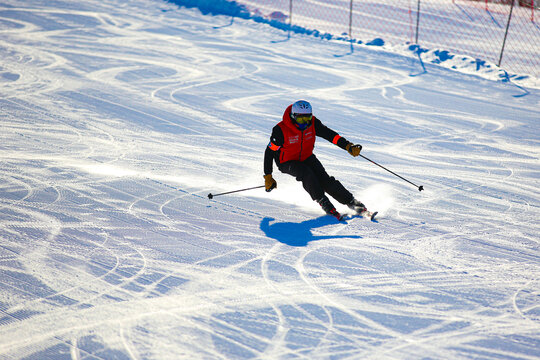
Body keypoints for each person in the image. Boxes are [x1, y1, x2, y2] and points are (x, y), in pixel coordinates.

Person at [263, 100, 366, 220]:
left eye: (308, 118)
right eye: (302, 119)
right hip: (287, 161)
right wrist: (268, 176)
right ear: (293, 116)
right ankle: (324, 202)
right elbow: (269, 152)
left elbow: (330, 135)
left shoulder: (312, 123)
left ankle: (351, 201)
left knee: (325, 179)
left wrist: (347, 146)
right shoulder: (280, 130)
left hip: (306, 157)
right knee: (306, 173)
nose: (305, 122)